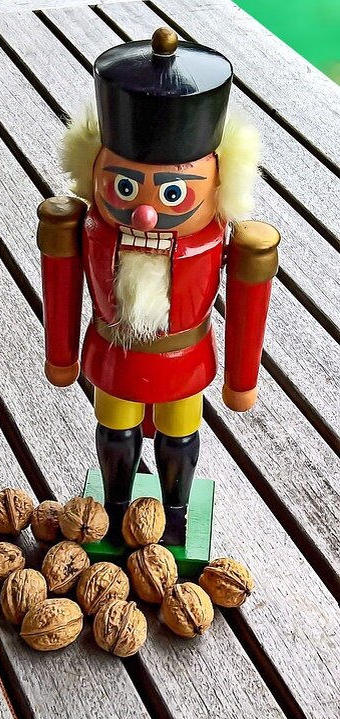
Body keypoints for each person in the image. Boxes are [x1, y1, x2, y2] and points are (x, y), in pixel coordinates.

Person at [37, 28, 279, 545]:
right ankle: (114, 507)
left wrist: (242, 381)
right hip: (115, 354)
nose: (145, 214)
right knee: (116, 428)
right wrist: (61, 356)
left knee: (179, 432)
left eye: (172, 194)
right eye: (125, 187)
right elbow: (61, 276)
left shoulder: (214, 240)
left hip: (183, 359)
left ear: (218, 184)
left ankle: (175, 515)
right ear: (94, 170)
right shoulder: (90, 228)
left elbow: (249, 290)